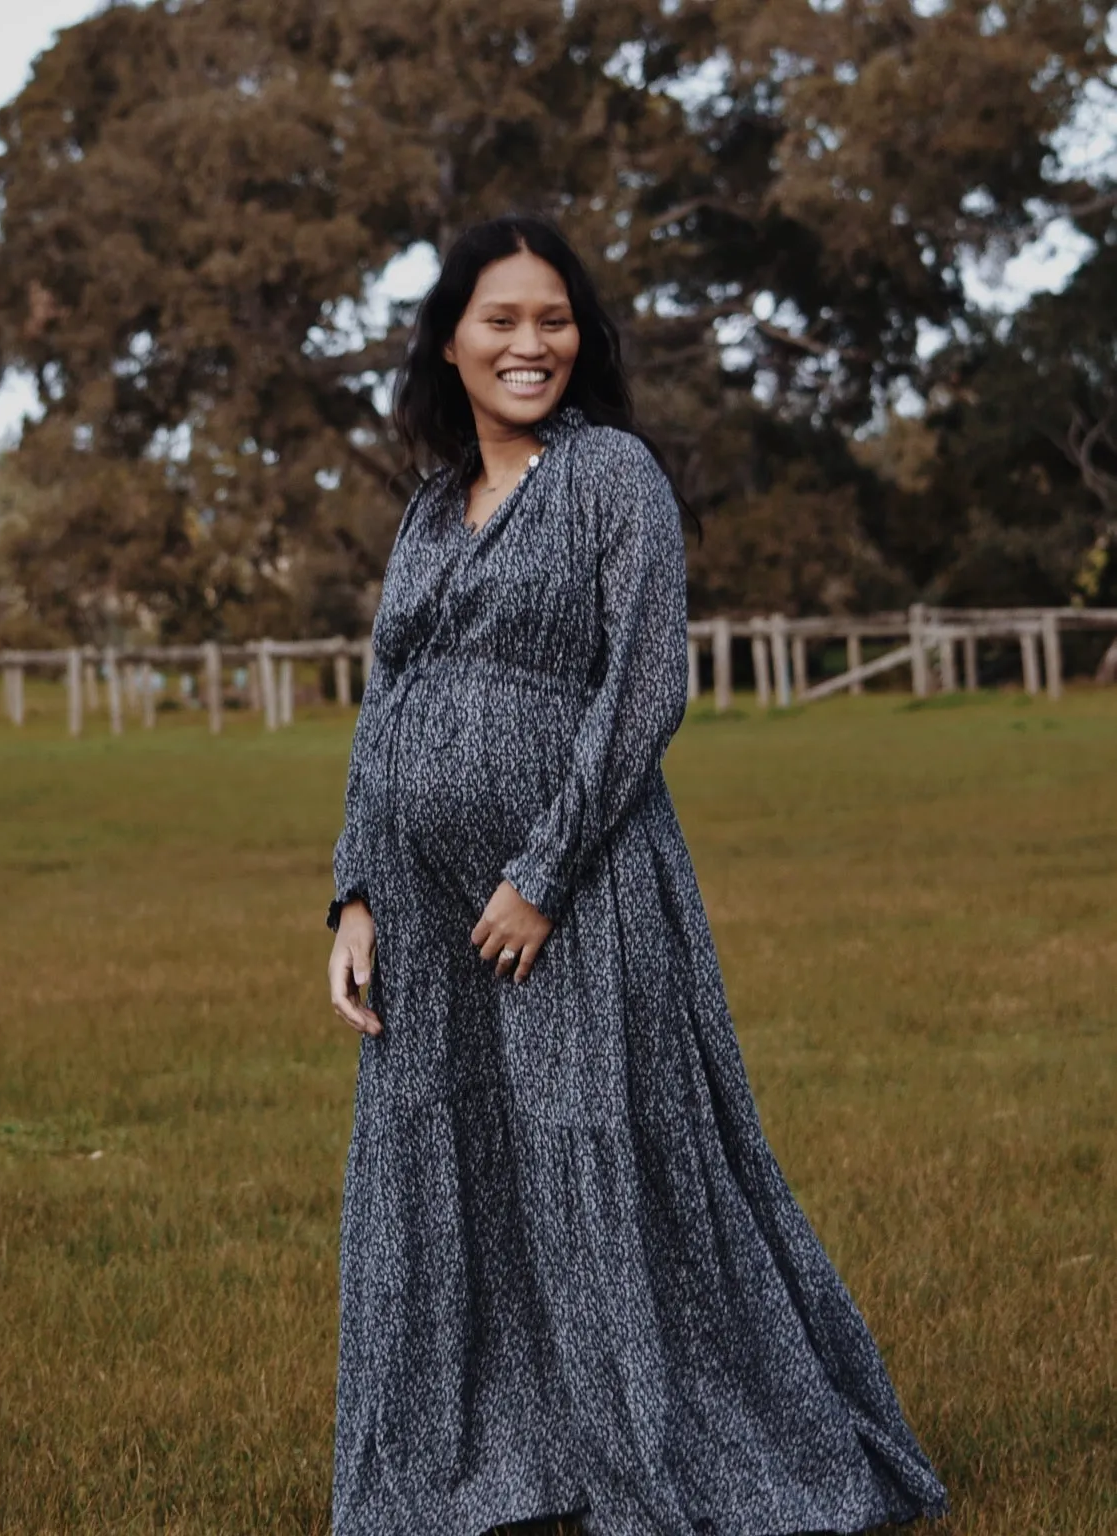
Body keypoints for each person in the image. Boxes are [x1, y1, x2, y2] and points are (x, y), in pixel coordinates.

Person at [325, 213, 948, 1536]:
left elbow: (643, 687)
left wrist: (542, 871)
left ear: (581, 339)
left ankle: (678, 1451)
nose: (528, 343)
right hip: (427, 918)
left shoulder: (610, 476)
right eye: (499, 319)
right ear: (448, 340)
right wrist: (354, 891)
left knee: (600, 1166)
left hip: (577, 895)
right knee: (458, 1183)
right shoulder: (432, 507)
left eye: (552, 319)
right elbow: (388, 702)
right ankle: (503, 1462)